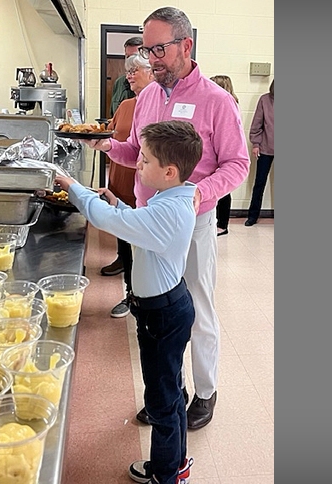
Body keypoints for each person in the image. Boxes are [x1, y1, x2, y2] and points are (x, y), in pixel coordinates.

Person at [85, 6, 250, 433]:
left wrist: (199, 192)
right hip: (147, 220)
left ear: (186, 45)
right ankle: (167, 391)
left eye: (159, 48)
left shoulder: (216, 101)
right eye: (147, 48)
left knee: (196, 307)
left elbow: (237, 164)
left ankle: (206, 392)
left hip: (190, 225)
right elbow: (139, 154)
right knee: (156, 312)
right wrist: (108, 146)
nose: (152, 58)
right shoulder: (147, 99)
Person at [56, 120, 202, 484]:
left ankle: (166, 474)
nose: (137, 164)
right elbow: (132, 221)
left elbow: (106, 219)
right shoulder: (172, 198)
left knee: (162, 400)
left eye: (145, 160)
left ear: (169, 172)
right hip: (168, 308)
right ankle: (176, 462)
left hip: (163, 315)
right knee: (171, 390)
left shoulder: (166, 212)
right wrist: (119, 202)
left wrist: (74, 189)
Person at [103, 55, 156, 319]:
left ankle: (145, 296)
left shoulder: (160, 105)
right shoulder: (125, 105)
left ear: (152, 72)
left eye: (135, 70)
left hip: (148, 188)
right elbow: (111, 134)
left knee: (145, 246)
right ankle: (130, 292)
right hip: (121, 179)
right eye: (128, 71)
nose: (130, 75)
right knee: (125, 236)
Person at [210, 75, 241, 236]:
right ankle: (217, 222)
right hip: (215, 152)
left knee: (224, 191)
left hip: (223, 153)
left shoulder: (229, 104)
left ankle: (223, 224)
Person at [245, 79, 274, 226]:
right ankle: (252, 216)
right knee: (259, 183)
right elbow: (257, 123)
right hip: (266, 147)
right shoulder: (265, 99)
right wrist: (255, 143)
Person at [108, 36, 144, 117]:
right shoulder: (119, 83)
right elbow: (113, 115)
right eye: (127, 57)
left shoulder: (154, 85)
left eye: (134, 56)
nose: (130, 61)